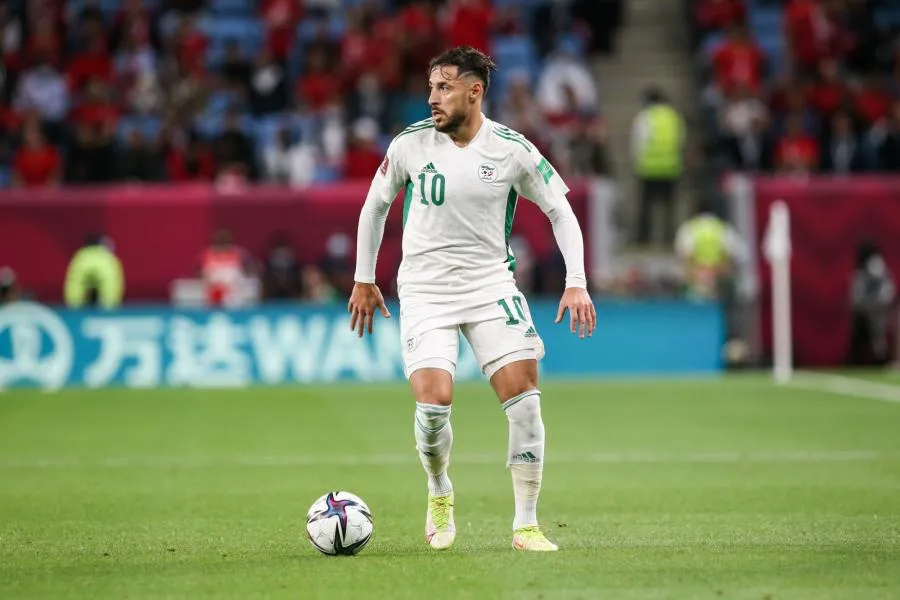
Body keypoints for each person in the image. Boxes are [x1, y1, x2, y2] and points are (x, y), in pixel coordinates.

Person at [348, 46, 596, 553]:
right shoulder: (410, 144)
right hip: (426, 289)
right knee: (433, 404)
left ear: (474, 91)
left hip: (490, 286)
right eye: (431, 87)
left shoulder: (511, 149)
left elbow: (560, 211)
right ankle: (439, 490)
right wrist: (363, 278)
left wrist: (577, 281)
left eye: (444, 87)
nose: (432, 98)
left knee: (525, 402)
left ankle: (526, 526)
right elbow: (375, 207)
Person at [64, 234, 125, 309]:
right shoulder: (108, 257)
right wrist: (111, 304)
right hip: (105, 268)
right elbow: (112, 282)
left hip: (83, 265)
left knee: (76, 293)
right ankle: (107, 307)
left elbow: (74, 282)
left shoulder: (80, 255)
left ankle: (75, 307)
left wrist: (73, 304)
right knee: (109, 295)